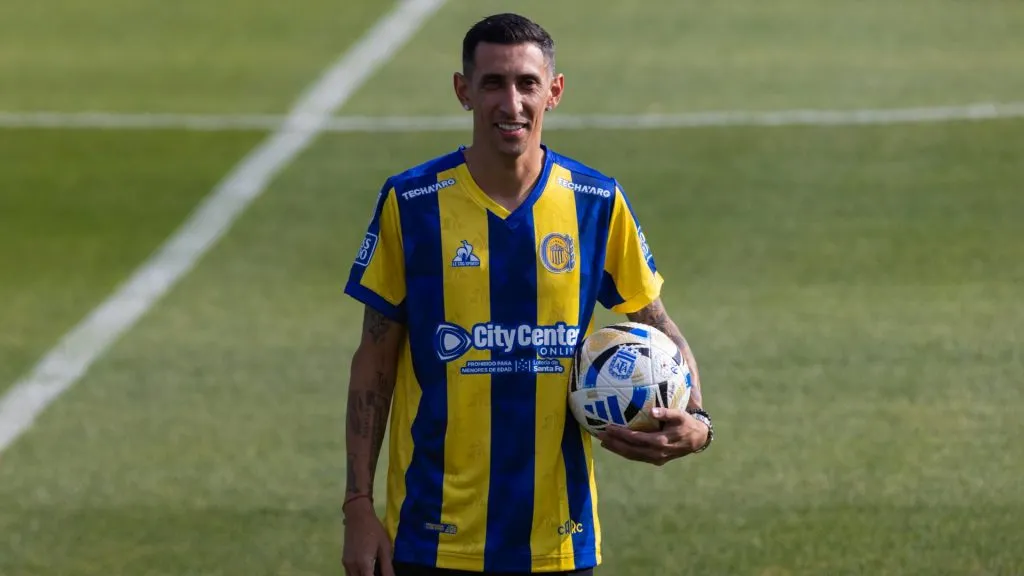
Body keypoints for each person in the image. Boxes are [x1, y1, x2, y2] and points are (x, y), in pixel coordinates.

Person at [341, 13, 713, 576]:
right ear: (464, 91)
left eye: (527, 84)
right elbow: (374, 364)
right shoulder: (412, 203)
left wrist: (700, 424)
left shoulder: (596, 202)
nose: (510, 103)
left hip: (558, 543)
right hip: (428, 536)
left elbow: (659, 324)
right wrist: (358, 507)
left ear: (554, 92)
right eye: (492, 83)